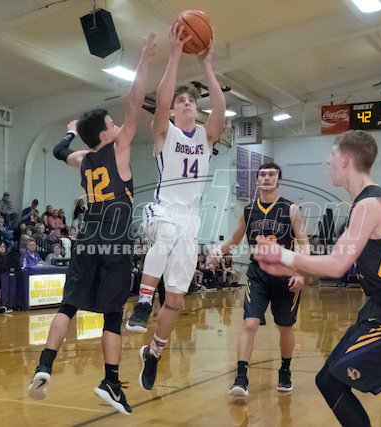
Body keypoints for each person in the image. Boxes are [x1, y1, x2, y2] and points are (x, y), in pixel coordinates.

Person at [254, 130, 381, 427]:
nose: (328, 162)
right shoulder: (365, 203)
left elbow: (336, 265)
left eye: (332, 156)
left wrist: (283, 255)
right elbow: (337, 262)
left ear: (346, 160)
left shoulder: (369, 205)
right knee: (327, 380)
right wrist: (289, 268)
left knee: (332, 382)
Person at [27, 33, 155, 416]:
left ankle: (45, 366)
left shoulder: (83, 159)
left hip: (86, 239)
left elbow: (58, 150)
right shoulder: (119, 149)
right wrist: (144, 61)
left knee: (68, 305)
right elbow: (135, 103)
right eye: (113, 124)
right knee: (112, 314)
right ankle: (111, 381)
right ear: (105, 134)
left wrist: (70, 130)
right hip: (114, 241)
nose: (118, 126)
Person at [125, 25, 226, 394]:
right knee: (165, 235)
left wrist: (207, 65)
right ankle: (143, 301)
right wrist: (174, 55)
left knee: (177, 300)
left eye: (191, 102)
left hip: (191, 220)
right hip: (162, 209)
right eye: (181, 101)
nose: (186, 104)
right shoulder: (164, 134)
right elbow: (163, 98)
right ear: (171, 111)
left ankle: (153, 352)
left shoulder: (205, 137)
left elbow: (221, 110)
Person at [207, 163, 310, 396]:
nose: (266, 178)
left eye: (272, 174)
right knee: (250, 323)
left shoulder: (291, 209)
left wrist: (300, 272)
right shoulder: (249, 210)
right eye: (262, 174)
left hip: (285, 275)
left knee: (285, 327)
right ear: (257, 180)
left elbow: (304, 243)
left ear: (278, 180)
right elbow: (234, 239)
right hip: (258, 275)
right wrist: (219, 251)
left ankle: (285, 370)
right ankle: (241, 377)